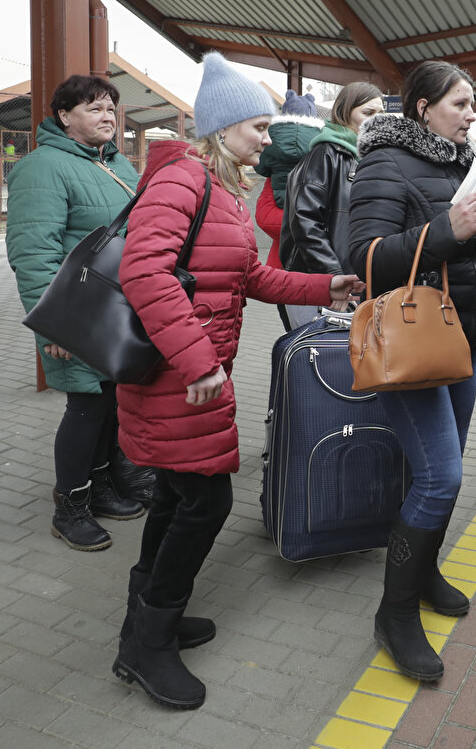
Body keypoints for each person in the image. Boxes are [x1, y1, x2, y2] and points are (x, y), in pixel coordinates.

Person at [111, 52, 363, 709]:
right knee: (204, 502)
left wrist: (321, 285)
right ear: (222, 130)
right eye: (257, 126)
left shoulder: (222, 189)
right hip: (177, 377)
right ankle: (147, 643)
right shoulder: (182, 182)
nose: (267, 137)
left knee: (175, 497)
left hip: (190, 373)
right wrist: (196, 361)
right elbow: (144, 272)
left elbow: (249, 277)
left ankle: (146, 621)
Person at [345, 59, 476, 682]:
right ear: (422, 109)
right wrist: (444, 229)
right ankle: (394, 614)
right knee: (441, 476)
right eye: (460, 104)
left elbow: (475, 260)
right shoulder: (385, 161)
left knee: (441, 476)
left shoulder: (461, 166)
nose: (472, 115)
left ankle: (424, 572)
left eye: (472, 105)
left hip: (458, 341)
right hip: (411, 343)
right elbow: (365, 258)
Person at [5, 74, 151, 552]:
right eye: (94, 108)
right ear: (64, 116)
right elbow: (33, 254)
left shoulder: (117, 165)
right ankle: (69, 506)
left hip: (116, 310)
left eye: (111, 107)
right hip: (76, 312)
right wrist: (54, 323)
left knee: (111, 400)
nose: (107, 115)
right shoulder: (42, 167)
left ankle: (103, 485)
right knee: (87, 406)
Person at [280, 80, 384, 275]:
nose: (377, 120)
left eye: (381, 114)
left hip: (361, 279)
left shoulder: (377, 158)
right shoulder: (325, 155)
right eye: (368, 113)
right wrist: (333, 273)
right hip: (323, 283)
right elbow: (304, 221)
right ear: (344, 113)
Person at [252, 89, 323, 330]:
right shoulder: (323, 149)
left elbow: (265, 217)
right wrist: (313, 224)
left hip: (287, 265)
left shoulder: (273, 145)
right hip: (309, 270)